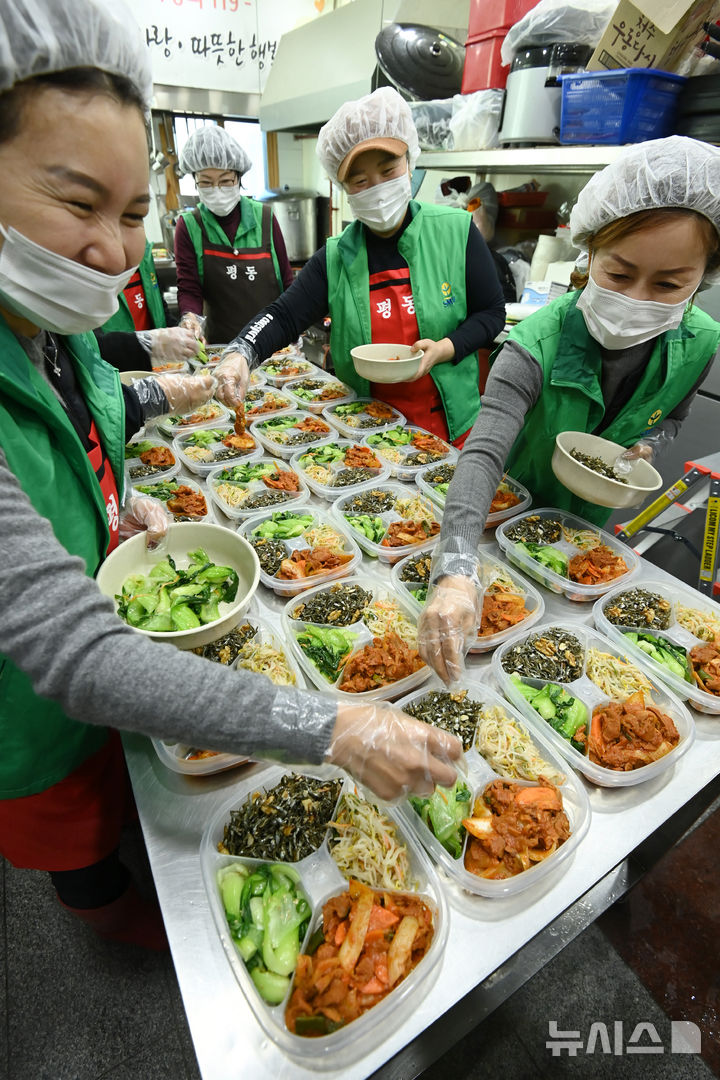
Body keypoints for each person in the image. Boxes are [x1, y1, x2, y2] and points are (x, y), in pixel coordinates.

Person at [0, 0, 462, 951]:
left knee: (117, 790)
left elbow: (91, 415)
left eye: (133, 214)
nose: (114, 249)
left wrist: (108, 487)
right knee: (72, 837)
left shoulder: (48, 330)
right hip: (28, 711)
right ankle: (112, 925)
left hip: (106, 651)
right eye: (78, 202)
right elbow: (75, 653)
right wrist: (334, 725)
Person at [418, 136, 720, 684]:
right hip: (497, 522)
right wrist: (458, 569)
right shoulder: (536, 343)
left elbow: (673, 416)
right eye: (619, 275)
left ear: (705, 277)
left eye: (670, 284)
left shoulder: (700, 343)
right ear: (588, 255)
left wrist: (652, 446)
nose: (639, 299)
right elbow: (483, 454)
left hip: (588, 534)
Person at [214, 87, 506, 446]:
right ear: (344, 188)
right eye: (361, 181)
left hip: (452, 432)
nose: (378, 189)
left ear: (410, 163)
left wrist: (445, 347)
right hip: (366, 434)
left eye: (388, 170)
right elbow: (283, 316)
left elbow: (492, 313)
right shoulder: (337, 257)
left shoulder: (456, 231)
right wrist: (241, 352)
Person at [174, 125, 294, 344]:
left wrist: (295, 323)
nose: (217, 189)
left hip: (273, 347)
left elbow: (286, 280)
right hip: (221, 349)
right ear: (195, 181)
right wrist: (190, 318)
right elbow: (189, 288)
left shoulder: (264, 217)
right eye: (206, 183)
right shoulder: (189, 226)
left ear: (239, 178)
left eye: (226, 181)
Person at [97, 236, 200, 373]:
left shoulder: (143, 250)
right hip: (116, 375)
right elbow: (92, 345)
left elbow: (159, 310)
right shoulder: (91, 265)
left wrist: (182, 334)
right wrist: (151, 342)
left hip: (159, 370)